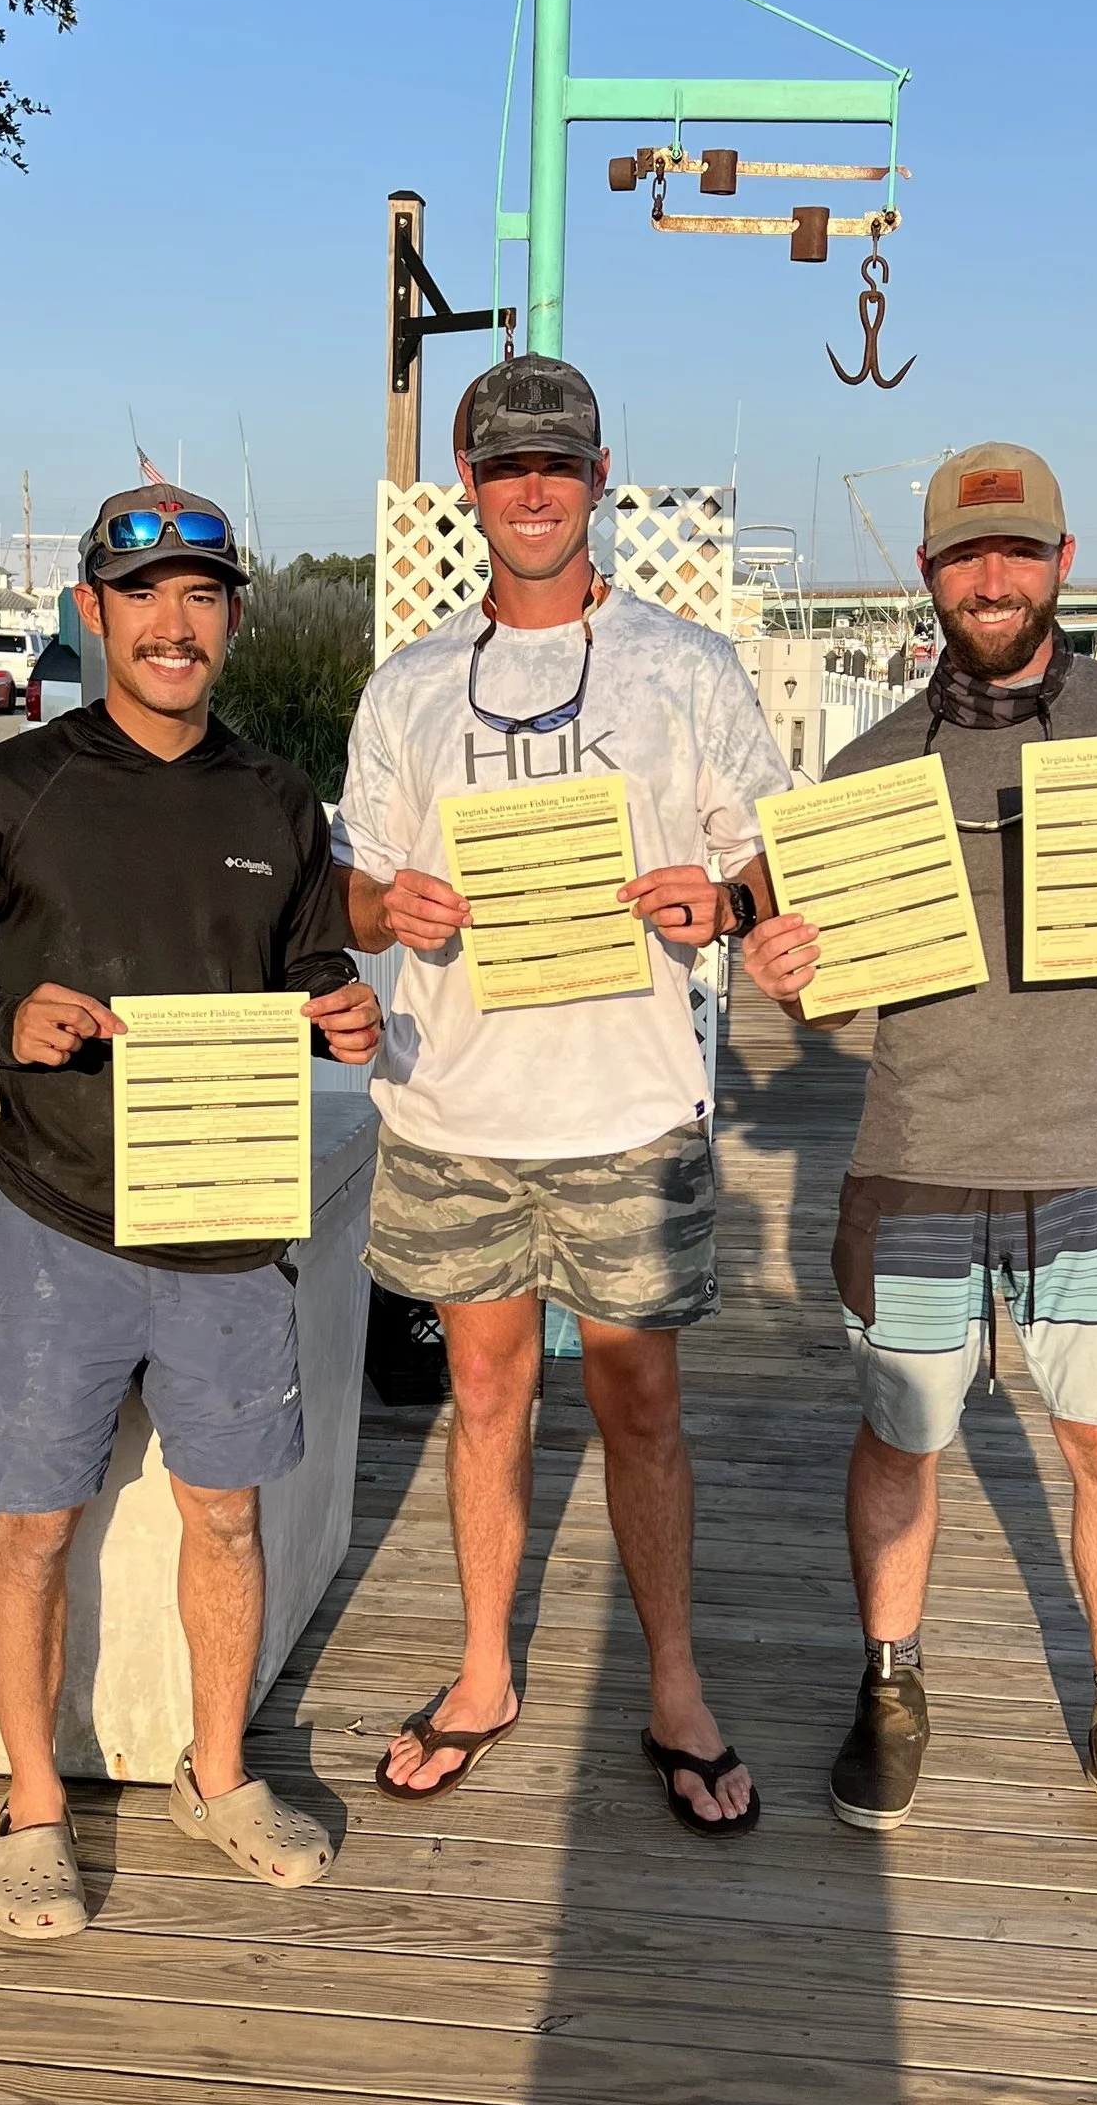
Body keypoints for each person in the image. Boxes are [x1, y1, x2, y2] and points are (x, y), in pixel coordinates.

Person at [743, 441, 1097, 1871]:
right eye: (966, 557)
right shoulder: (865, 767)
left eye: (1020, 551)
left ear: (1063, 561)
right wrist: (785, 969)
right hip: (915, 1152)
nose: (995, 577)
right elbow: (821, 991)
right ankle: (891, 1681)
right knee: (902, 1436)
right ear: (927, 577)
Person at [0, 483, 382, 1934]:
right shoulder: (5, 788)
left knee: (225, 1516)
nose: (175, 625)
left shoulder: (280, 801)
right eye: (144, 595)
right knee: (37, 1524)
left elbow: (304, 984)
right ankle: (33, 1804)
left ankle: (215, 1777)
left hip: (228, 1229)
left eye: (203, 596)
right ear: (91, 612)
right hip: (59, 1222)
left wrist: (340, 1016)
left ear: (231, 618)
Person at [335, 356, 790, 1832]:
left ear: (603, 477)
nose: (532, 489)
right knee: (484, 1397)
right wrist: (385, 907)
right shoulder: (405, 685)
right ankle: (484, 1668)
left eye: (559, 463)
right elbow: (352, 882)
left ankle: (673, 1681)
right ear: (466, 487)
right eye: (502, 465)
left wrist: (713, 902)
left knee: (641, 1400)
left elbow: (770, 863)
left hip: (627, 1107)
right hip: (455, 1107)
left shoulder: (689, 668)